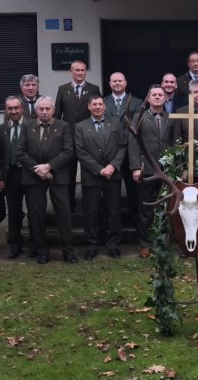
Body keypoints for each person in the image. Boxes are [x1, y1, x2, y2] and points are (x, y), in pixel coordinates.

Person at [17, 96, 77, 264]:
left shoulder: (63, 126)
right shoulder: (27, 126)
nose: (44, 111)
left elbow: (68, 151)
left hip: (58, 175)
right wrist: (38, 169)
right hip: (33, 176)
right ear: (36, 111)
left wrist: (49, 167)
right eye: (41, 109)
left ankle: (68, 250)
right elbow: (21, 152)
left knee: (64, 214)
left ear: (53, 110)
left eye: (47, 109)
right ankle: (42, 250)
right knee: (36, 215)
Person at [75, 95, 128, 260]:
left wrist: (113, 166)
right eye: (94, 105)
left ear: (105, 106)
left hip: (113, 174)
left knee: (113, 211)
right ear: (89, 107)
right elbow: (80, 151)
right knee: (91, 212)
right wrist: (99, 169)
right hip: (92, 176)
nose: (97, 107)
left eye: (100, 104)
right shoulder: (80, 126)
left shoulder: (115, 123)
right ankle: (92, 244)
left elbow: (122, 146)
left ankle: (113, 244)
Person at [129, 85, 179, 258]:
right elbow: (133, 143)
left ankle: (164, 241)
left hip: (167, 171)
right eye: (154, 95)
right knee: (146, 210)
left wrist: (176, 167)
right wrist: (135, 167)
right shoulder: (139, 116)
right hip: (147, 170)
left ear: (166, 99)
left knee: (166, 208)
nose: (157, 97)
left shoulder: (172, 118)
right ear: (148, 99)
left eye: (160, 95)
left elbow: (176, 143)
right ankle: (145, 244)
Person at [53, 59, 101, 211]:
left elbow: (97, 112)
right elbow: (57, 115)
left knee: (89, 172)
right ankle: (69, 204)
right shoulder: (62, 89)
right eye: (77, 70)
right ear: (71, 71)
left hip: (88, 137)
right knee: (69, 172)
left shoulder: (94, 88)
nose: (80, 73)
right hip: (68, 138)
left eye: (83, 70)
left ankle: (90, 205)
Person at [103, 71, 143, 233]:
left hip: (130, 154)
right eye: (114, 81)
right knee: (111, 195)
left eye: (120, 81)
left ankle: (136, 225)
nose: (117, 83)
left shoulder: (137, 102)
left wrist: (126, 143)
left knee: (134, 193)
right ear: (110, 83)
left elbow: (137, 127)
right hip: (110, 154)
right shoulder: (103, 102)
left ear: (125, 83)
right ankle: (111, 228)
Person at [0, 95, 29, 258]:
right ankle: (15, 245)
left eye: (16, 108)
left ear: (22, 109)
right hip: (11, 174)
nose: (13, 111)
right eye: (10, 109)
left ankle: (36, 244)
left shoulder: (32, 125)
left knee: (34, 209)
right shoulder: (2, 129)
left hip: (29, 173)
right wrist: (0, 177)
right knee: (14, 211)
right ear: (6, 110)